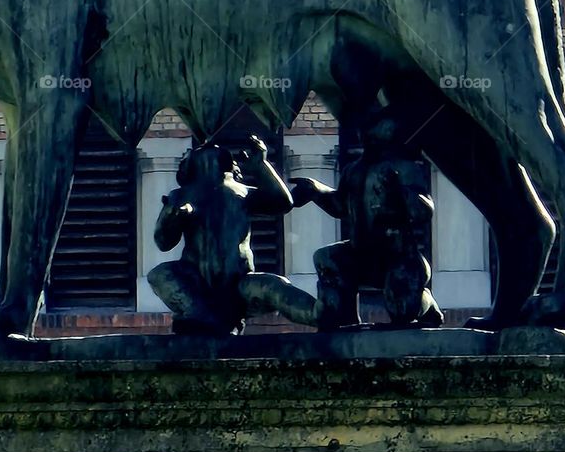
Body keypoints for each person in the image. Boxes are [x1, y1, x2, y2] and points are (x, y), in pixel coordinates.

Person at [149, 135, 319, 334]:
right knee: (160, 275)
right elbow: (163, 241)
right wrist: (173, 215)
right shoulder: (179, 196)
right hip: (195, 284)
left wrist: (261, 166)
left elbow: (282, 202)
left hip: (239, 284)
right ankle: (200, 314)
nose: (211, 147)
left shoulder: (243, 192)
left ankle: (320, 314)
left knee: (274, 286)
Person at [291, 114, 443, 329]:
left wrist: (399, 190)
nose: (367, 136)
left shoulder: (405, 167)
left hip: (398, 258)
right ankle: (345, 321)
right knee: (327, 258)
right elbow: (340, 206)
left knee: (402, 313)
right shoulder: (353, 170)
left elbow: (423, 212)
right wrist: (315, 190)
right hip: (360, 254)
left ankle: (426, 304)